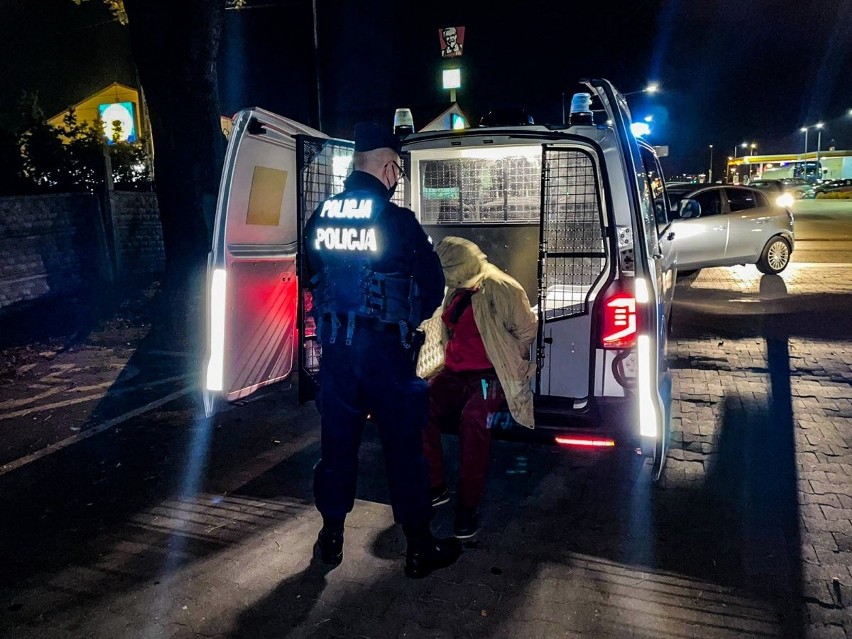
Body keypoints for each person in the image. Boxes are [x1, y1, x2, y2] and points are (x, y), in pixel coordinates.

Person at [303, 122, 462, 579]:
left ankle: (330, 539)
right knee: (404, 448)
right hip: (386, 354)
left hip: (335, 352)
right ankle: (418, 547)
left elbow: (311, 271)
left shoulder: (323, 214)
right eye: (396, 168)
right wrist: (407, 320)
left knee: (337, 446)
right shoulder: (398, 221)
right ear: (389, 167)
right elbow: (433, 287)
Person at [422, 236, 537, 539]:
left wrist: (508, 361)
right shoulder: (457, 291)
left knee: (474, 420)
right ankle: (435, 486)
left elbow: (527, 331)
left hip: (490, 375)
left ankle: (467, 505)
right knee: (419, 406)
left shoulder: (503, 288)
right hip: (455, 372)